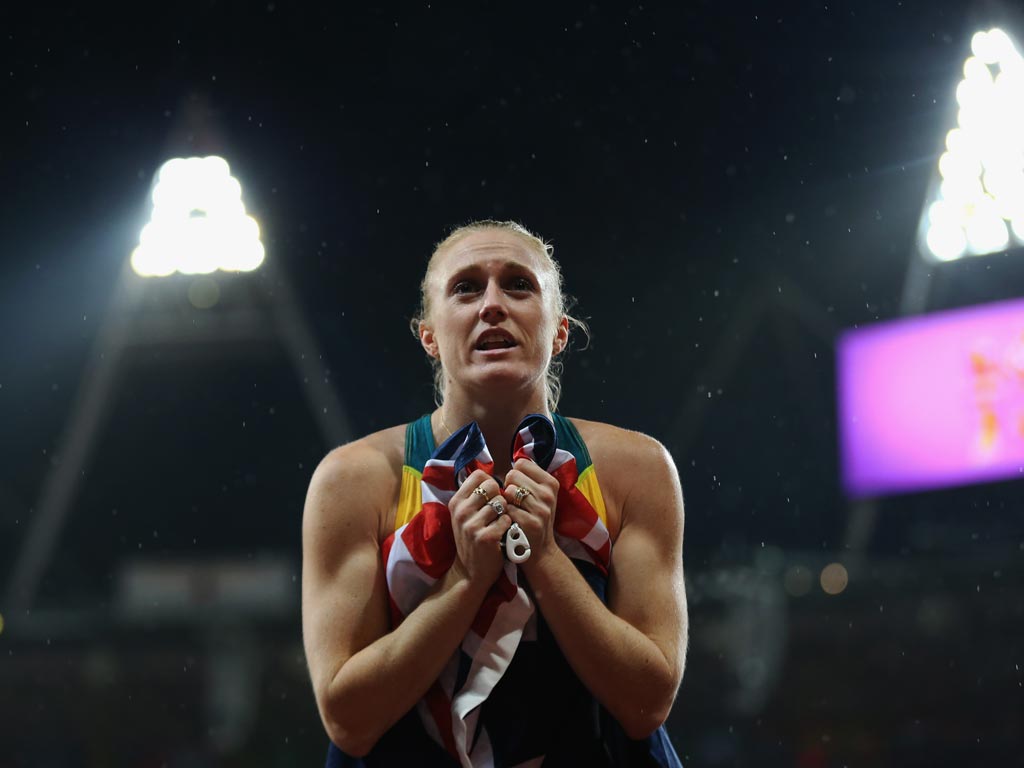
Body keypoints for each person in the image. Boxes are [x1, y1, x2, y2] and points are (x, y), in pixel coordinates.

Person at [302, 220, 688, 767]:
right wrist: (466, 580)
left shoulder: (636, 469)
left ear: (559, 330)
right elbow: (348, 722)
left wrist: (545, 556)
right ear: (429, 336)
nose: (491, 305)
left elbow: (647, 704)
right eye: (465, 288)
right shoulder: (354, 479)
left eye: (518, 285)